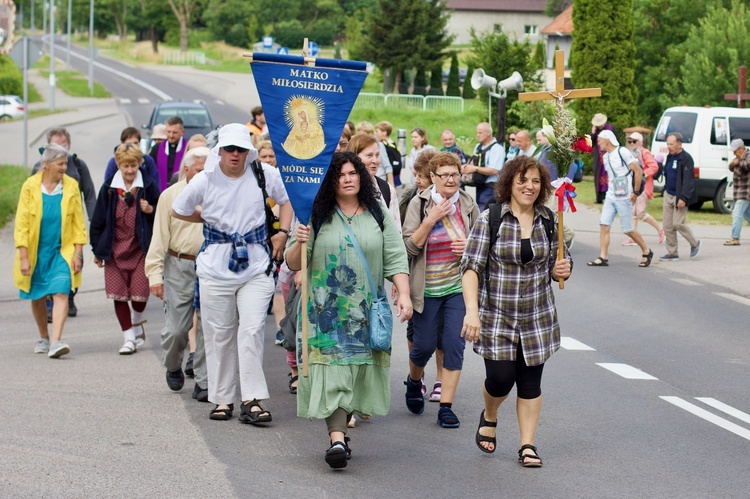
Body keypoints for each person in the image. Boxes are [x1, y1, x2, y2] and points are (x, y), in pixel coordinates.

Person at [285, 151, 412, 469]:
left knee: (356, 374)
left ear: (361, 176)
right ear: (331, 180)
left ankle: (344, 420)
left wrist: (405, 295)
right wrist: (298, 241)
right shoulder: (315, 212)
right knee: (334, 372)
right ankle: (337, 438)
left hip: (365, 310)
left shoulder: (377, 211)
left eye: (352, 172)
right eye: (340, 174)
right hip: (326, 312)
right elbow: (292, 262)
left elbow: (395, 254)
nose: (347, 178)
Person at [171, 123, 292, 423]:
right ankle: (222, 399)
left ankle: (252, 400)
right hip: (215, 266)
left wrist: (283, 233)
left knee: (251, 331)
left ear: (248, 151)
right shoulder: (205, 179)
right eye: (229, 149)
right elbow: (178, 208)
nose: (235, 155)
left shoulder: (263, 173)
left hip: (256, 264)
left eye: (240, 149)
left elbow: (288, 198)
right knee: (219, 335)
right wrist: (207, 219)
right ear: (220, 151)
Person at [460, 156, 572, 467]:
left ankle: (527, 445)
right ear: (510, 183)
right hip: (497, 315)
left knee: (530, 382)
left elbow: (559, 265)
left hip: (537, 317)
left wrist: (563, 268)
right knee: (500, 379)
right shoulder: (491, 218)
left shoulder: (550, 220)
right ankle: (490, 414)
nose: (529, 186)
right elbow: (470, 267)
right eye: (523, 180)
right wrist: (472, 312)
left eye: (536, 181)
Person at [402, 152, 479, 428]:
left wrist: (468, 245)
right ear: (432, 177)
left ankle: (446, 406)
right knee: (422, 346)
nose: (450, 179)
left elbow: (481, 246)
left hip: (458, 288)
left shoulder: (468, 204)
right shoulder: (419, 204)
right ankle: (414, 380)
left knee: (454, 345)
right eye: (444, 175)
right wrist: (430, 219)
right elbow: (408, 247)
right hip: (426, 289)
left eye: (455, 174)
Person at [145, 147, 209, 393]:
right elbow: (159, 238)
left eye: (207, 170)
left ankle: (204, 381)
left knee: (207, 326)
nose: (204, 175)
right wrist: (154, 275)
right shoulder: (170, 195)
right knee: (176, 329)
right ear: (186, 170)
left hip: (208, 265)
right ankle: (173, 365)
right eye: (199, 170)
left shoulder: (216, 193)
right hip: (178, 265)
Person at [15, 143, 88, 359]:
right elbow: (21, 223)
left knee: (61, 290)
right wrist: (23, 257)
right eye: (60, 163)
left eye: (66, 163)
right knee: (37, 296)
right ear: (46, 165)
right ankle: (43, 337)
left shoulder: (71, 186)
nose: (64, 167)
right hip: (37, 251)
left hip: (61, 251)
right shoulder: (30, 186)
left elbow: (78, 222)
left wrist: (78, 253)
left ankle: (56, 341)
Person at [90, 144, 160, 355]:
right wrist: (97, 250)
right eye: (125, 166)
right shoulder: (109, 189)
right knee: (119, 295)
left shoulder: (148, 186)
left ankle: (136, 321)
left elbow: (163, 214)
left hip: (140, 249)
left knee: (140, 296)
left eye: (133, 165)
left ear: (139, 164)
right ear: (118, 165)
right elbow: (98, 222)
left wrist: (151, 209)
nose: (129, 170)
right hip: (114, 250)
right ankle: (128, 337)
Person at [31, 128, 96, 319]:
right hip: (47, 229)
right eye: (56, 146)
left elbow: (90, 196)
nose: (61, 149)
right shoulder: (38, 168)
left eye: (64, 145)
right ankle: (52, 303)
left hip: (71, 228)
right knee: (49, 265)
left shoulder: (78, 166)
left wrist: (95, 224)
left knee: (74, 263)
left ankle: (69, 296)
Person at [586, 130, 653, 268]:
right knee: (604, 225)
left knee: (628, 229)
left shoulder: (623, 152)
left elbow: (638, 171)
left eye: (599, 140)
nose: (598, 143)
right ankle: (603, 257)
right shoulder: (605, 157)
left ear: (607, 140)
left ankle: (646, 251)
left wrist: (635, 192)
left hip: (625, 197)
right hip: (611, 196)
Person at [659, 132, 701, 261]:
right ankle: (672, 252)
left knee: (677, 223)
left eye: (671, 144)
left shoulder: (686, 158)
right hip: (669, 194)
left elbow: (689, 180)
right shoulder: (669, 157)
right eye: (668, 144)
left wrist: (683, 198)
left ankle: (694, 243)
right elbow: (668, 174)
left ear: (679, 143)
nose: (669, 147)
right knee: (667, 225)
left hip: (680, 196)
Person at [347, 134, 401, 229]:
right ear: (354, 156)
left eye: (377, 155)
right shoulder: (342, 189)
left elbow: (396, 231)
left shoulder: (386, 190)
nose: (375, 161)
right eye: (369, 155)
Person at [622, 132, 664, 246]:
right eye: (629, 141)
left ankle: (660, 229)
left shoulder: (645, 152)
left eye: (634, 141)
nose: (631, 144)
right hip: (635, 186)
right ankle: (633, 237)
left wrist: (643, 174)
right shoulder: (631, 153)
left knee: (640, 212)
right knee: (633, 212)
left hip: (644, 186)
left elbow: (654, 166)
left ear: (640, 142)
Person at [460, 122, 505, 212]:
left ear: (488, 133)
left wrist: (475, 168)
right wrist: (467, 166)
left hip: (491, 188)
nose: (477, 135)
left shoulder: (497, 149)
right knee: (478, 211)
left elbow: (495, 170)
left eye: (480, 133)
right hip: (479, 185)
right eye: (477, 133)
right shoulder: (478, 146)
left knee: (485, 213)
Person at [149, 116, 187, 193]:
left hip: (181, 191)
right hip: (160, 191)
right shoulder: (157, 148)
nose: (171, 135)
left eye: (174, 132)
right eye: (168, 132)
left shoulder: (188, 148)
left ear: (182, 132)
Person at [725, 139, 750, 246]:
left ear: (741, 148)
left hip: (746, 191)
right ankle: (735, 237)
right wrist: (733, 163)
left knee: (737, 214)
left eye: (735, 151)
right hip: (739, 191)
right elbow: (731, 167)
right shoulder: (738, 158)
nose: (734, 153)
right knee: (747, 215)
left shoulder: (748, 156)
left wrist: (737, 162)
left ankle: (735, 238)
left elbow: (748, 165)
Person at [591, 113, 617, 204]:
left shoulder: (610, 128)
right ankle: (599, 197)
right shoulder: (595, 130)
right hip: (599, 158)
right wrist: (593, 133)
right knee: (598, 176)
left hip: (609, 155)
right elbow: (591, 143)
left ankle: (609, 195)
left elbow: (615, 141)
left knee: (609, 175)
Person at [376, 121, 400, 188]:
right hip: (393, 176)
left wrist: (391, 185)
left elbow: (387, 165)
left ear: (384, 133)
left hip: (384, 177)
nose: (375, 134)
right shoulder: (393, 143)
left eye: (377, 131)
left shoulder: (382, 144)